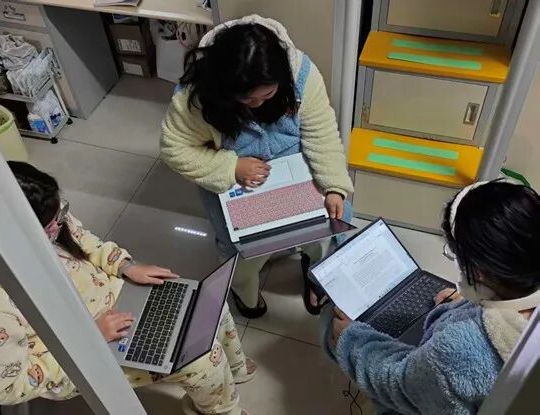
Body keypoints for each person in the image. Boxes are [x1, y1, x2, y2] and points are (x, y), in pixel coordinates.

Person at [0, 162, 256, 415]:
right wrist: (91, 337)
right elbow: (8, 388)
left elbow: (84, 241)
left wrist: (126, 266)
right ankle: (223, 409)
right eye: (50, 225)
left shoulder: (45, 215)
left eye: (61, 214)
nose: (60, 224)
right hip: (82, 352)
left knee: (209, 305)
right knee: (203, 361)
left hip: (115, 302)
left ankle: (236, 370)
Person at [161, 15, 354, 318]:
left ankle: (316, 274)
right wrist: (231, 168)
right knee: (241, 252)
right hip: (235, 179)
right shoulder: (195, 95)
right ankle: (246, 295)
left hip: (294, 168)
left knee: (325, 226)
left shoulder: (301, 73)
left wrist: (334, 186)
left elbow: (322, 133)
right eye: (246, 99)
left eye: (266, 95)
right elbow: (174, 149)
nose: (256, 104)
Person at [323, 180, 539, 414]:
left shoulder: (460, 347)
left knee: (328, 323)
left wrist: (352, 341)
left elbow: (398, 384)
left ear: (478, 271)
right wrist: (463, 306)